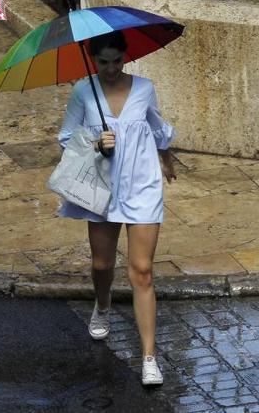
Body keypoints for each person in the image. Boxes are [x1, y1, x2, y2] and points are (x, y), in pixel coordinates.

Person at [57, 31, 177, 386]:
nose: (111, 68)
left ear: (126, 58)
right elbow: (66, 137)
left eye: (117, 61)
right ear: (95, 61)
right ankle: (104, 304)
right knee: (102, 264)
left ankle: (149, 358)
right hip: (103, 188)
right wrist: (95, 142)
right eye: (104, 62)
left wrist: (166, 155)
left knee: (142, 271)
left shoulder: (143, 87)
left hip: (142, 186)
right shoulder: (83, 91)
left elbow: (155, 126)